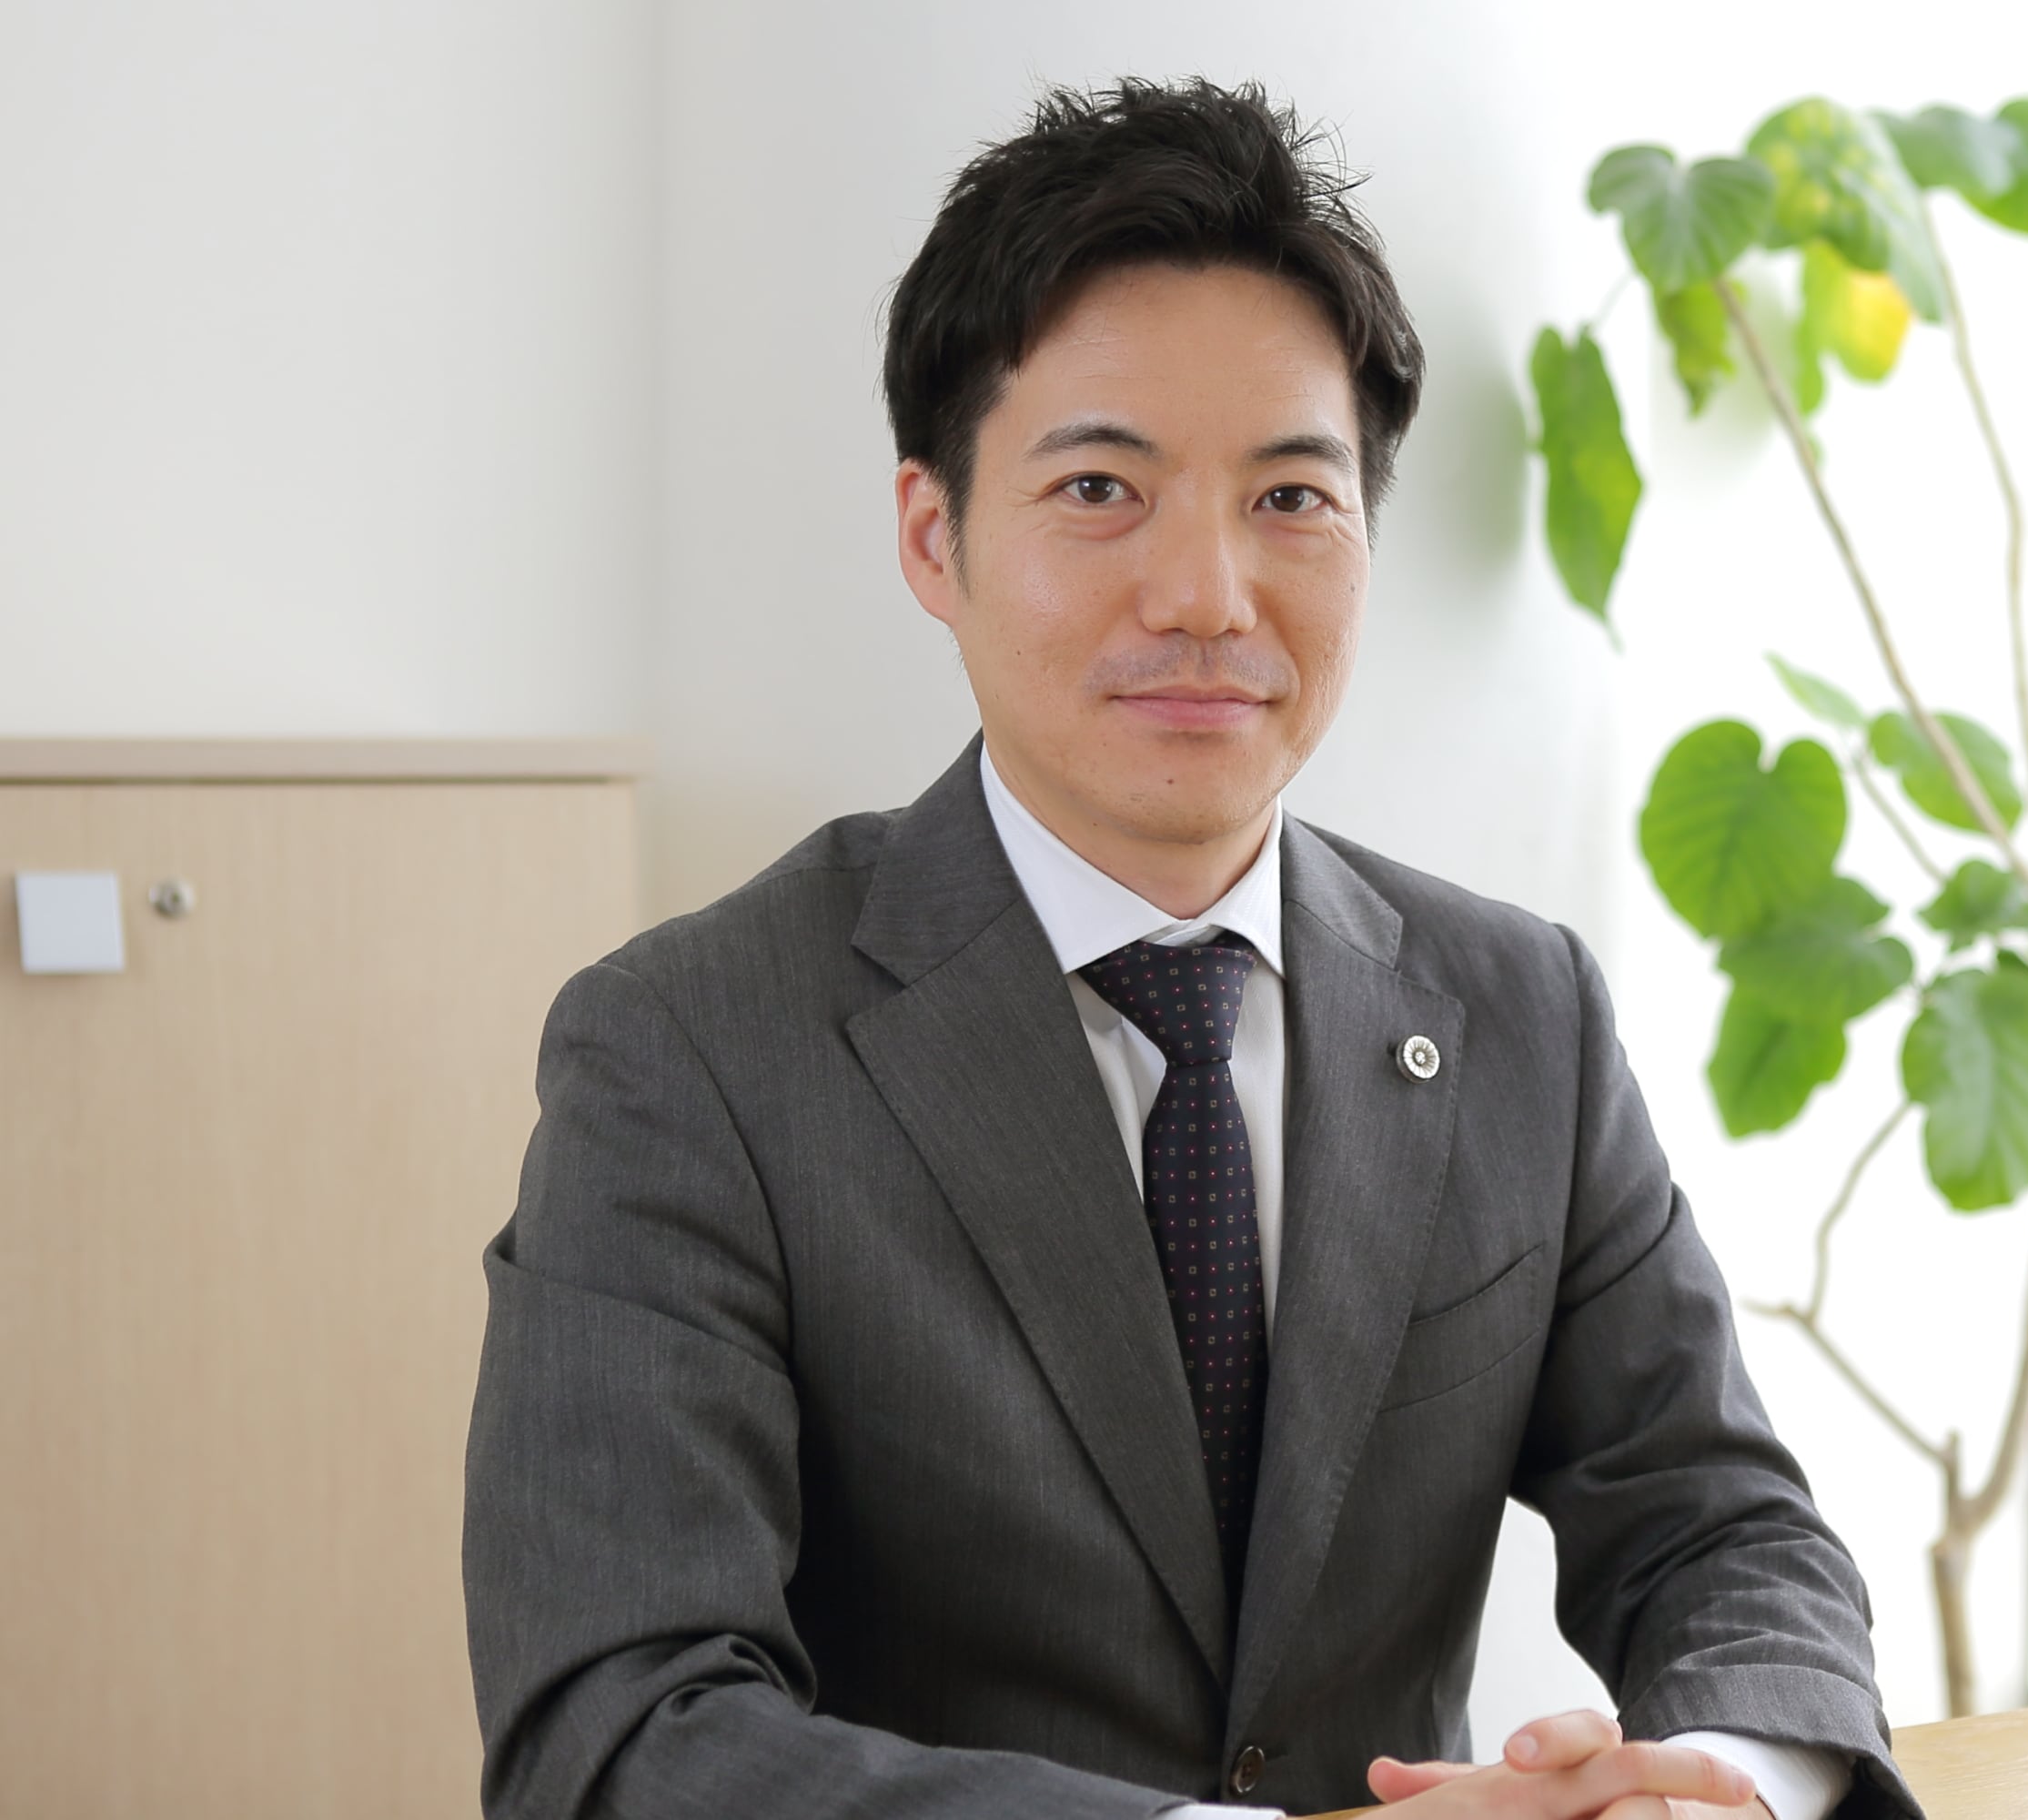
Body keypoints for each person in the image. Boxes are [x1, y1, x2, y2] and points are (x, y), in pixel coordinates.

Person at [461, 76, 1920, 1820]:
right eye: (1101, 487)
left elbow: (1721, 1524)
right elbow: (620, 1734)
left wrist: (1720, 1783)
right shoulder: (691, 1049)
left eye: (1292, 498)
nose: (1209, 598)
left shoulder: (1521, 1009)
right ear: (934, 536)